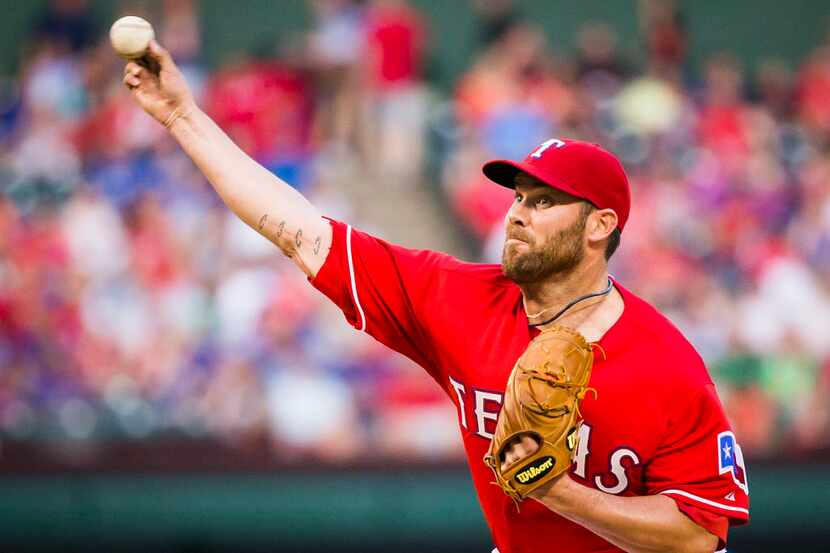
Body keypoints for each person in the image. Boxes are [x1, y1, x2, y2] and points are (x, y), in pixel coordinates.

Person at [122, 41, 750, 553]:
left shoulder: (669, 365)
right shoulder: (456, 298)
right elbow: (302, 233)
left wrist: (556, 491)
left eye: (545, 201)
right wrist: (182, 116)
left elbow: (696, 536)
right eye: (519, 197)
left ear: (600, 225)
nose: (518, 214)